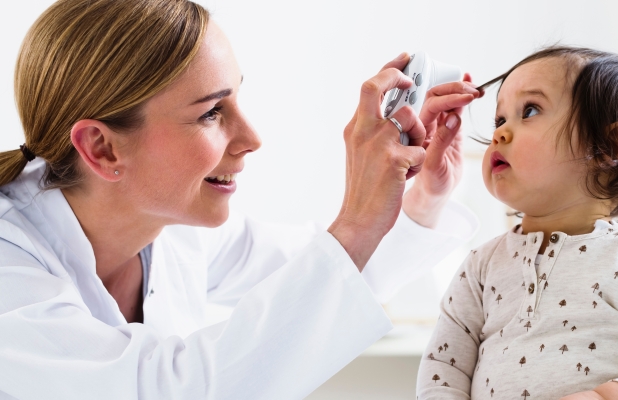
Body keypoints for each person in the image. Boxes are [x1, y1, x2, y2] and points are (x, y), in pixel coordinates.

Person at [0, 0, 485, 399]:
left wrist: (421, 198)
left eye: (236, 100)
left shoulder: (168, 231)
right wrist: (356, 220)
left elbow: (322, 277)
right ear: (102, 148)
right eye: (211, 112)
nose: (252, 137)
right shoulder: (10, 271)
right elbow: (172, 389)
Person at [416, 46, 618, 399]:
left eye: (529, 110)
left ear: (607, 147)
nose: (500, 134)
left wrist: (607, 396)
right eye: (499, 120)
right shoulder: (480, 267)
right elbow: (444, 368)